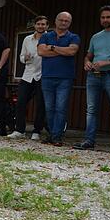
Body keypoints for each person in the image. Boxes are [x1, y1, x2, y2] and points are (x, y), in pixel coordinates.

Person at [73, 6, 110, 155]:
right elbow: (89, 55)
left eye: (108, 17)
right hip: (94, 76)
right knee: (91, 110)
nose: (105, 20)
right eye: (103, 17)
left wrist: (108, 62)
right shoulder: (96, 36)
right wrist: (86, 62)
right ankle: (89, 141)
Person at [37, 12, 80, 146]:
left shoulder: (74, 37)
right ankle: (52, 134)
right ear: (55, 21)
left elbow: (71, 52)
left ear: (70, 23)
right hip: (47, 76)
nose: (63, 22)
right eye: (61, 20)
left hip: (65, 78)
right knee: (49, 108)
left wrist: (53, 47)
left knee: (60, 108)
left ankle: (57, 136)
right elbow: (41, 52)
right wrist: (62, 52)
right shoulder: (46, 35)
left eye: (66, 21)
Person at [8, 16, 48, 141]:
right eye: (38, 24)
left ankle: (37, 131)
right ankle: (19, 130)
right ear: (35, 25)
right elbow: (20, 57)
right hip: (28, 74)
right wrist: (25, 57)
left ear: (47, 26)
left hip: (42, 74)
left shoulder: (49, 38)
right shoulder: (27, 39)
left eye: (43, 24)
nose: (41, 26)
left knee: (40, 104)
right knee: (20, 102)